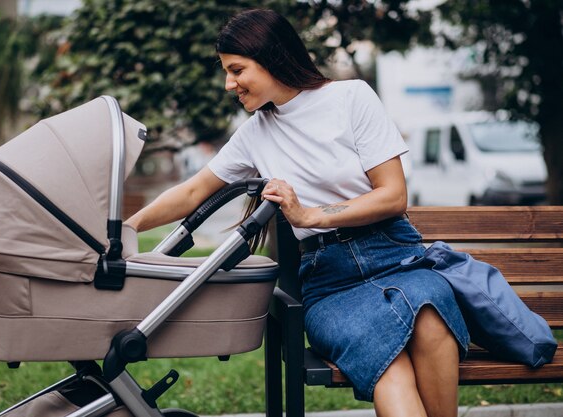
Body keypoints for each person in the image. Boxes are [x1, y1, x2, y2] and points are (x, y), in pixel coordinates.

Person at [126, 9, 469, 417]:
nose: (228, 84)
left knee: (430, 317)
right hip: (330, 283)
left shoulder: (352, 97)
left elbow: (393, 196)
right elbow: (193, 191)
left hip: (396, 258)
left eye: (237, 70)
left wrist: (311, 215)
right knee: (389, 364)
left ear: (272, 57)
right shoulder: (255, 133)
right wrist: (127, 226)